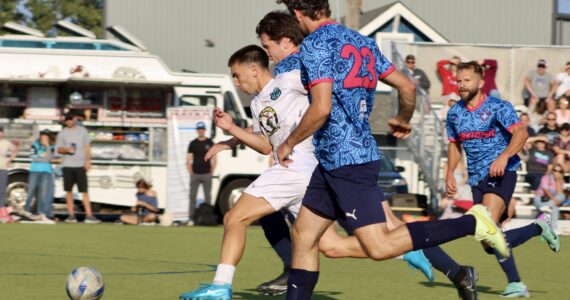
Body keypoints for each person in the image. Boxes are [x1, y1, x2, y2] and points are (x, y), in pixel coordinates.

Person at [275, 2, 510, 299]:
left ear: (297, 14)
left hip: (347, 161)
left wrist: (289, 142)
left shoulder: (313, 46)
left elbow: (320, 108)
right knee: (304, 236)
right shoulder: (362, 41)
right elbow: (407, 87)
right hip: (337, 160)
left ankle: (473, 222)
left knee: (380, 246)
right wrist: (402, 119)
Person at [179, 44, 435, 300]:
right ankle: (404, 249)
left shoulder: (289, 80)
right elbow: (266, 146)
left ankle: (221, 286)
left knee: (234, 217)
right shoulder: (258, 104)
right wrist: (232, 130)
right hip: (303, 175)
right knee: (330, 246)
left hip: (298, 167)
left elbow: (324, 91)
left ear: (254, 69)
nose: (235, 82)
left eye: (237, 74)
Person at [446, 61, 560, 297]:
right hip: (476, 179)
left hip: (501, 173)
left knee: (488, 231)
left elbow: (521, 132)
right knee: (489, 243)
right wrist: (449, 172)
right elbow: (455, 145)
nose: (462, 84)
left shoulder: (499, 107)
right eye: (459, 80)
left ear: (480, 82)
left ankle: (517, 284)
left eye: (467, 80)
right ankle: (538, 227)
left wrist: (504, 156)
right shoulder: (454, 112)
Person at [56, 113, 100, 223]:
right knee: (69, 191)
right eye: (67, 120)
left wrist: (88, 161)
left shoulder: (82, 131)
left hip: (80, 165)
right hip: (67, 165)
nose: (69, 122)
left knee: (84, 191)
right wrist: (66, 150)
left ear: (74, 119)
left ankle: (89, 215)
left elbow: (87, 147)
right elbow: (59, 150)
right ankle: (71, 215)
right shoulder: (62, 133)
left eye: (70, 119)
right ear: (65, 122)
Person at [23, 129, 57, 221]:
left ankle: (41, 213)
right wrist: (44, 159)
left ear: (48, 137)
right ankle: (26, 211)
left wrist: (47, 146)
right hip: (34, 171)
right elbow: (33, 157)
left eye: (46, 136)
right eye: (42, 135)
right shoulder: (35, 145)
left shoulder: (52, 146)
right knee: (30, 191)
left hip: (46, 172)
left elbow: (50, 158)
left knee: (43, 193)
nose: (44, 137)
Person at [186, 121, 215, 225]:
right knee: (192, 197)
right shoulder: (193, 143)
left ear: (205, 130)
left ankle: (208, 219)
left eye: (202, 129)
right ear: (197, 130)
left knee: (208, 197)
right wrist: (190, 172)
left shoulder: (209, 142)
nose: (200, 131)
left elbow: (214, 158)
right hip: (195, 174)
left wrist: (212, 171)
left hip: (207, 174)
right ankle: (191, 218)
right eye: (199, 129)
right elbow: (188, 159)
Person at [534, 164, 566, 233]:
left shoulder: (561, 181)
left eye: (559, 171)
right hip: (540, 199)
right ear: (552, 171)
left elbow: (559, 194)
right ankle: (548, 206)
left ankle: (553, 229)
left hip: (548, 203)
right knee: (555, 205)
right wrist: (553, 201)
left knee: (556, 206)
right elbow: (546, 191)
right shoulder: (546, 177)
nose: (557, 172)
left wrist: (558, 181)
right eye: (555, 170)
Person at [0, 126, 18, 223]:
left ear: (3, 133)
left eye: (0, 132)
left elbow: (15, 149)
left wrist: (10, 160)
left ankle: (2, 212)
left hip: (2, 168)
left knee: (2, 190)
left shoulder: (6, 143)